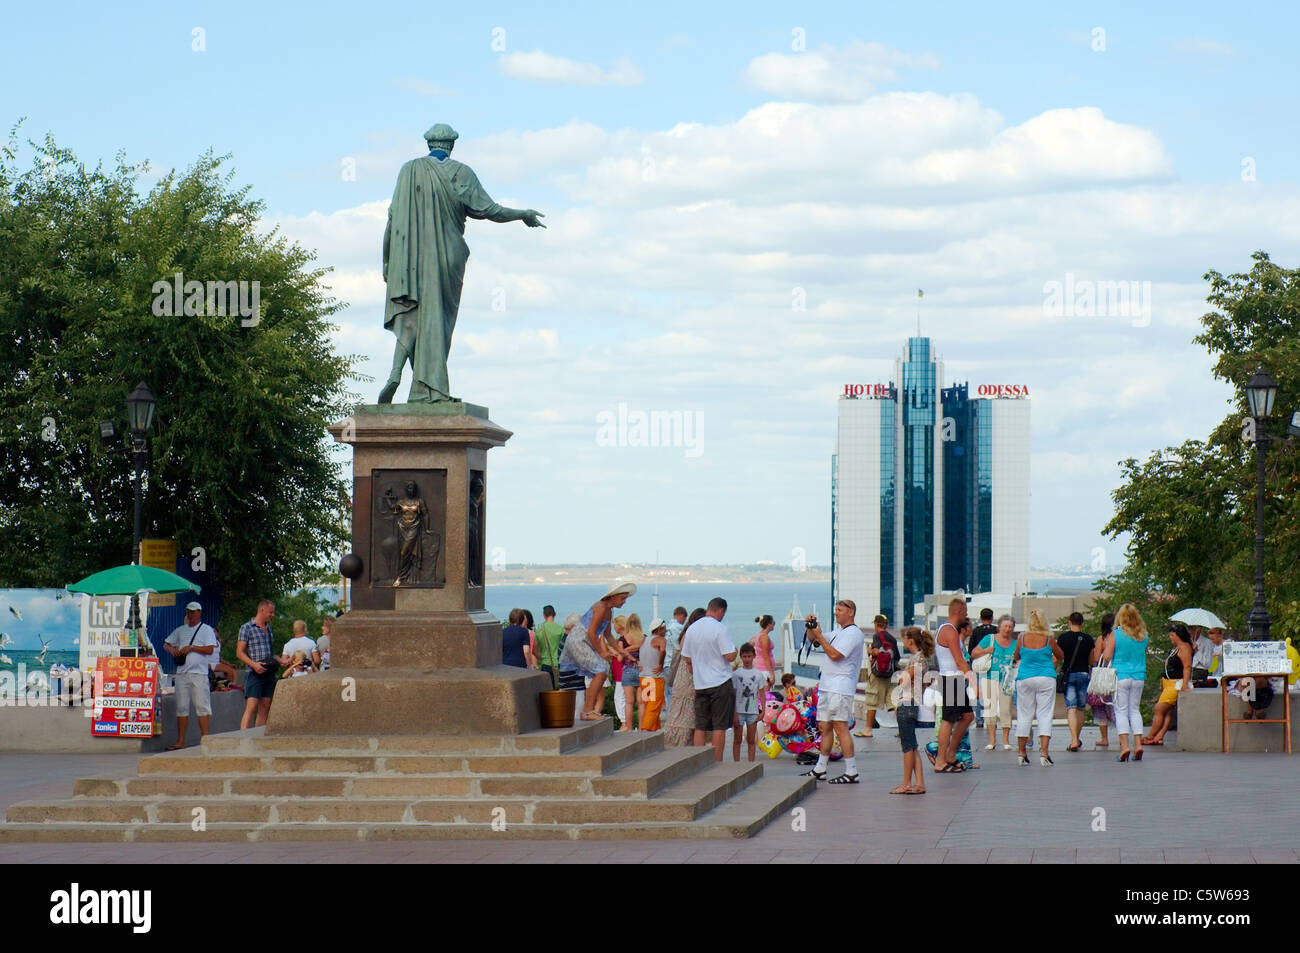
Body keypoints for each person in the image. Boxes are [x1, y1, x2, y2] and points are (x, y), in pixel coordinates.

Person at [377, 123, 545, 404]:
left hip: (408, 259)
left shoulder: (408, 171)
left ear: (429, 145)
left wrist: (387, 261)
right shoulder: (461, 173)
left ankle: (398, 373)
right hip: (446, 259)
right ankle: (432, 391)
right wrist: (522, 214)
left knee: (412, 311)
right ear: (451, 146)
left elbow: (393, 219)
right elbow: (490, 210)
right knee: (438, 321)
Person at [802, 600, 865, 784]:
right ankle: (820, 768)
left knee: (840, 727)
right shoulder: (839, 632)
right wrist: (811, 627)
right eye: (835, 610)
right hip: (828, 687)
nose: (836, 613)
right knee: (825, 727)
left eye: (839, 610)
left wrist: (820, 636)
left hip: (841, 687)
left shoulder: (853, 633)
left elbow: (835, 654)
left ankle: (851, 770)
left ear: (851, 612)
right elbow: (813, 639)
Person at [557, 582, 636, 721]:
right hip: (579, 641)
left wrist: (621, 651)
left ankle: (588, 710)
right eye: (623, 598)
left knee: (602, 670)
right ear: (614, 596)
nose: (624, 602)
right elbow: (592, 632)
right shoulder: (600, 607)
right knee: (600, 671)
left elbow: (608, 635)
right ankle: (587, 711)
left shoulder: (608, 610)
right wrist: (601, 652)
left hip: (583, 642)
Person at [681, 598, 738, 761]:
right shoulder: (720, 629)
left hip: (700, 683)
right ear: (721, 610)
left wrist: (697, 672)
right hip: (720, 682)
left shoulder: (691, 629)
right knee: (719, 726)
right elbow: (728, 656)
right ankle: (717, 761)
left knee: (700, 725)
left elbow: (687, 658)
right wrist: (735, 651)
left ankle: (699, 761)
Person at [162, 601, 218, 750]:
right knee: (181, 707)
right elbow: (166, 643)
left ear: (199, 612)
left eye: (193, 612)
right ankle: (181, 741)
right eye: (189, 612)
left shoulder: (206, 630)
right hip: (182, 673)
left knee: (202, 706)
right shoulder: (181, 630)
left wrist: (192, 648)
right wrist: (173, 651)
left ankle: (205, 739)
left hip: (199, 673)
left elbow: (210, 650)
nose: (191, 615)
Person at [1013, 609, 1063, 766]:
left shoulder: (1021, 638)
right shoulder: (1049, 638)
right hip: (1046, 677)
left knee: (1024, 714)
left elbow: (1016, 656)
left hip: (1025, 678)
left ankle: (1021, 753)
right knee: (1045, 714)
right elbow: (1060, 655)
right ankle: (1044, 753)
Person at [933, 598, 975, 773]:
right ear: (959, 612)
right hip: (951, 680)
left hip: (955, 679)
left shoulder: (950, 630)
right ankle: (940, 760)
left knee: (967, 716)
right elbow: (959, 660)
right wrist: (973, 681)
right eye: (965, 612)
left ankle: (950, 753)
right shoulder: (949, 631)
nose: (966, 615)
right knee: (948, 720)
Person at [1102, 603, 1148, 762]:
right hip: (1139, 676)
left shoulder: (1116, 634)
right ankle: (1138, 745)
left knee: (1121, 711)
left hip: (1121, 676)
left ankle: (1125, 747)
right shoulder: (1143, 635)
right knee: (1135, 710)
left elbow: (1107, 656)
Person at [893, 626, 934, 794]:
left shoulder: (917, 659)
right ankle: (919, 783)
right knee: (913, 746)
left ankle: (906, 783)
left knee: (907, 747)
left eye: (904, 639)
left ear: (910, 641)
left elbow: (904, 679)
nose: (903, 642)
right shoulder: (922, 658)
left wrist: (901, 677)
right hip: (914, 704)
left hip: (907, 703)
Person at [237, 599, 286, 730]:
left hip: (269, 671)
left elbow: (271, 652)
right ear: (262, 610)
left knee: (265, 705)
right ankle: (243, 736)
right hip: (255, 672)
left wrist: (281, 660)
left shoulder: (268, 628)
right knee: (251, 706)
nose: (272, 615)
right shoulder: (247, 628)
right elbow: (240, 652)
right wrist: (253, 665)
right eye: (271, 612)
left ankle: (258, 735)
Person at [972, 613, 1017, 750]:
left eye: (1010, 626)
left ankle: (1005, 740)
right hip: (990, 676)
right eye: (1005, 626)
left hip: (1007, 679)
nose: (1007, 629)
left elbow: (1019, 659)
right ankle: (992, 740)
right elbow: (974, 653)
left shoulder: (1015, 643)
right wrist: (986, 651)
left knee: (1005, 709)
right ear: (999, 627)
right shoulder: (989, 639)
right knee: (990, 709)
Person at [1144, 622, 1193, 745]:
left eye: (1172, 635)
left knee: (1159, 709)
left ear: (1178, 635)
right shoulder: (1176, 648)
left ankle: (1150, 736)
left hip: (1175, 683)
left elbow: (1187, 666)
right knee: (1167, 711)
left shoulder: (1184, 647)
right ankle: (1159, 736)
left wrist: (1185, 684)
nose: (1170, 638)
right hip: (1167, 683)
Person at [662, 608, 706, 746]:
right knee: (687, 709)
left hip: (683, 673)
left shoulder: (684, 633)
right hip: (689, 673)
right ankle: (683, 740)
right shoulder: (690, 635)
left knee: (682, 709)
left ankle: (682, 739)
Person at [1056, 611, 1095, 752]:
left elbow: (1058, 657)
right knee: (1081, 708)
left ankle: (1073, 740)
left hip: (1069, 675)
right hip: (1084, 674)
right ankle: (1077, 738)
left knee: (1071, 708)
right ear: (1082, 623)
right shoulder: (1089, 639)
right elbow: (1092, 660)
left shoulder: (1063, 638)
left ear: (1069, 622)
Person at [855, 614, 898, 739]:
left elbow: (876, 651)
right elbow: (897, 657)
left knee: (872, 701)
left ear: (876, 624)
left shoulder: (877, 636)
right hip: (890, 673)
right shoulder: (892, 638)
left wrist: (869, 650)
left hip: (878, 673)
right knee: (892, 702)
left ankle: (868, 729)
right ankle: (902, 728)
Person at [731, 643, 770, 762]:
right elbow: (733, 694)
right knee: (737, 740)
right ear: (741, 657)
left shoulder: (758, 675)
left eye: (749, 656)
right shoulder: (736, 674)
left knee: (751, 740)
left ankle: (750, 764)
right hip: (739, 711)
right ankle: (736, 764)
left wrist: (763, 711)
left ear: (754, 656)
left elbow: (762, 693)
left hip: (752, 711)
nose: (747, 659)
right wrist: (734, 713)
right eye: (744, 656)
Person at [1088, 612, 1117, 749]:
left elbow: (1096, 658)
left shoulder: (1102, 639)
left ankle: (1104, 738)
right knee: (1117, 705)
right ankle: (1125, 734)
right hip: (1116, 673)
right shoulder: (1120, 637)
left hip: (1103, 675)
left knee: (1100, 706)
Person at [617, 613, 645, 732]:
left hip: (628, 670)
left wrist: (626, 650)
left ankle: (628, 728)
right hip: (641, 670)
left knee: (629, 702)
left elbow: (619, 658)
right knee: (641, 702)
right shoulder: (644, 638)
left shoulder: (623, 639)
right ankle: (641, 728)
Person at [639, 618, 668, 730]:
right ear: (660, 628)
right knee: (654, 705)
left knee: (648, 705)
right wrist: (660, 664)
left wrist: (637, 661)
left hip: (643, 677)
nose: (665, 631)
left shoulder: (643, 640)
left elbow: (633, 650)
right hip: (655, 678)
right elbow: (662, 651)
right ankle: (645, 729)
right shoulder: (661, 640)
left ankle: (653, 729)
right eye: (664, 629)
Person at [535, 605, 565, 685]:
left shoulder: (539, 630)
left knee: (547, 690)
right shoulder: (561, 629)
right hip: (559, 664)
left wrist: (541, 658)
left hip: (545, 664)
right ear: (555, 614)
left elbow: (534, 649)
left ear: (544, 615)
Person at [753, 615, 776, 681]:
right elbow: (766, 656)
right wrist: (772, 673)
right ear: (769, 624)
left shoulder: (759, 635)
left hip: (761, 668)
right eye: (773, 622)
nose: (774, 624)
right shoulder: (764, 637)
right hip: (764, 670)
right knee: (766, 691)